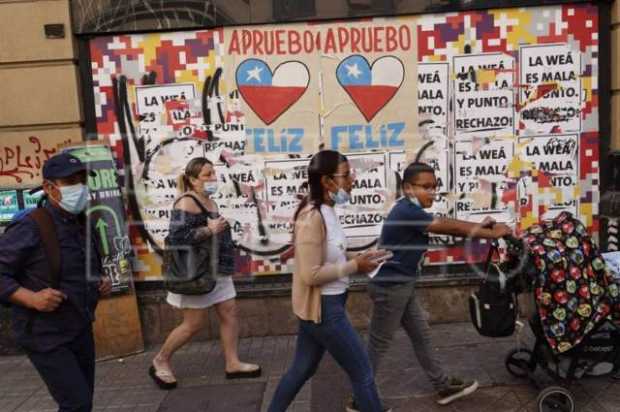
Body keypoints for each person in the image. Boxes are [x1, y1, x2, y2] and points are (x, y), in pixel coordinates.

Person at [347, 162, 514, 411]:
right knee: (378, 343)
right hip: (391, 288)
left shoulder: (411, 211)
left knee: (421, 336)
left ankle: (443, 384)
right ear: (407, 188)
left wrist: (480, 225)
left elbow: (448, 224)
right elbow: (449, 226)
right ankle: (361, 401)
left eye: (434, 187)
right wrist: (489, 233)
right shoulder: (407, 211)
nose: (432, 193)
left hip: (401, 285)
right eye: (425, 187)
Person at [268, 150, 392, 412]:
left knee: (302, 370)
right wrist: (354, 266)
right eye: (345, 175)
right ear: (327, 182)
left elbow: (331, 251)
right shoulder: (312, 217)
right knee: (362, 373)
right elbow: (310, 275)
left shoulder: (327, 210)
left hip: (326, 307)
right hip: (324, 310)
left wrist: (357, 256)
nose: (352, 180)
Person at [0, 152, 112, 412]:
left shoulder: (82, 221)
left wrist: (99, 281)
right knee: (77, 403)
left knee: (83, 401)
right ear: (50, 188)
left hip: (80, 326)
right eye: (72, 181)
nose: (81, 188)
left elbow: (83, 265)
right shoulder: (31, 226)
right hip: (45, 334)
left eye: (83, 180)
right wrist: (31, 298)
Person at [149, 157, 261, 389]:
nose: (213, 178)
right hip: (196, 273)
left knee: (229, 313)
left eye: (214, 173)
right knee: (193, 324)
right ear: (192, 180)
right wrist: (208, 230)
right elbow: (176, 238)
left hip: (216, 269)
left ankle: (232, 363)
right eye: (207, 175)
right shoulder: (185, 202)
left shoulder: (208, 200)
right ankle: (160, 360)